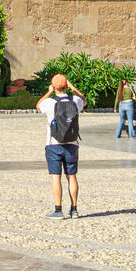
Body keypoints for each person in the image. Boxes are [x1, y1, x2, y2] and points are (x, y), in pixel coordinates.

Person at [38, 73, 84, 218]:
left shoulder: (50, 103)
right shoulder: (75, 101)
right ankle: (74, 209)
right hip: (72, 143)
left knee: (55, 177)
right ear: (66, 86)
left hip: (53, 144)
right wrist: (73, 88)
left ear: (55, 86)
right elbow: (84, 99)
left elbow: (38, 105)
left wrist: (49, 92)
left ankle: (58, 210)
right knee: (72, 176)